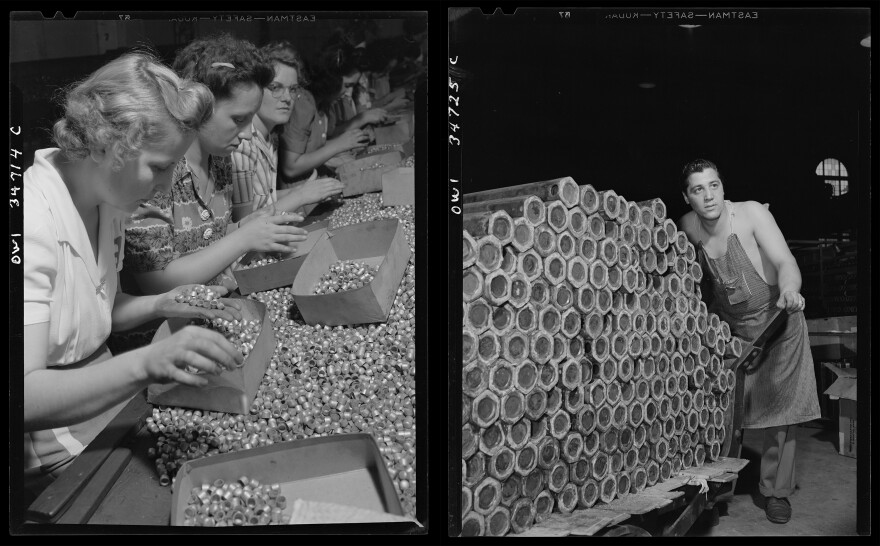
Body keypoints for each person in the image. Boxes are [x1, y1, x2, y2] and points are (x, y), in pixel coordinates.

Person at [23, 52, 245, 503]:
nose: (165, 186)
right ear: (109, 143)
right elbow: (26, 394)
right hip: (52, 440)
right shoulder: (30, 222)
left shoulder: (108, 200)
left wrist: (158, 305)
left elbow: (93, 315)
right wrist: (147, 361)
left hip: (107, 402)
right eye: (160, 167)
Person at [676, 158, 821, 524]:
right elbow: (699, 285)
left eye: (713, 186)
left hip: (779, 320)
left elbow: (785, 261)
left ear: (723, 188)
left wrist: (790, 291)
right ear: (687, 197)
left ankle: (776, 493)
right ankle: (711, 491)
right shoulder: (688, 228)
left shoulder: (752, 214)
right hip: (737, 330)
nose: (708, 196)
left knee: (781, 415)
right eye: (698, 189)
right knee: (721, 409)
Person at [123, 34, 309, 301]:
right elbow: (157, 282)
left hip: (214, 310)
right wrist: (244, 237)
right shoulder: (158, 170)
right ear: (199, 105)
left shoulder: (220, 160)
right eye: (238, 119)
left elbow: (206, 244)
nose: (247, 135)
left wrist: (246, 226)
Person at [229, 41, 344, 221]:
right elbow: (245, 225)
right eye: (275, 88)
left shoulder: (269, 138)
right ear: (255, 88)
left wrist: (301, 190)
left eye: (292, 89)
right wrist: (300, 196)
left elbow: (266, 201)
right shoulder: (242, 145)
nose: (286, 98)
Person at [279, 44, 381, 182]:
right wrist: (339, 144)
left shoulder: (324, 104)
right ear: (332, 80)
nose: (348, 91)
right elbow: (291, 167)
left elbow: (318, 148)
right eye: (347, 85)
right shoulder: (303, 103)